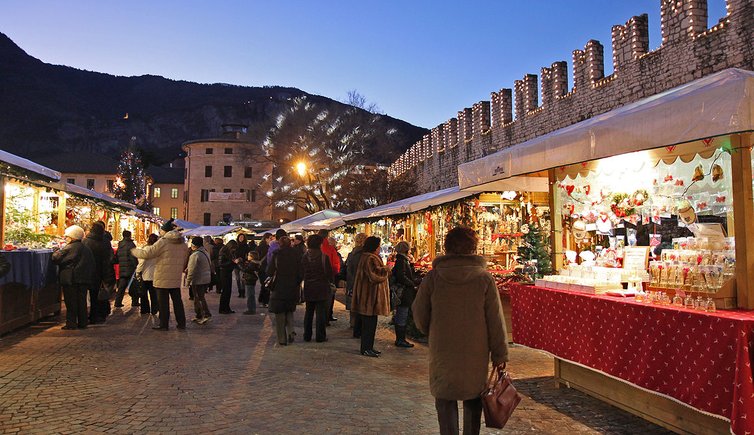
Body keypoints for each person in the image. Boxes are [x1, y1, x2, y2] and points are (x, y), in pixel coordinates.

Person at [412, 227, 509, 435]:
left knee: (445, 399)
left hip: (443, 348)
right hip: (476, 350)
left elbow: (419, 314)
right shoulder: (484, 279)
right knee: (473, 400)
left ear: (447, 248)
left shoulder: (434, 278)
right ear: (473, 248)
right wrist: (500, 354)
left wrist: (432, 330)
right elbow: (495, 321)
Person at [131, 218, 189, 330]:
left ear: (165, 232)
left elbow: (148, 253)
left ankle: (164, 324)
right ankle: (181, 323)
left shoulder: (163, 241)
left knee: (163, 303)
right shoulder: (183, 243)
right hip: (175, 277)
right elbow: (184, 259)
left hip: (162, 277)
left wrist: (134, 251)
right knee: (177, 301)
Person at [351, 236, 391, 357]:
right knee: (368, 325)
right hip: (369, 297)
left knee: (371, 324)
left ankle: (369, 347)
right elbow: (374, 276)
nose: (379, 248)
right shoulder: (369, 258)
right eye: (378, 246)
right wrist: (387, 270)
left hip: (369, 296)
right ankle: (366, 348)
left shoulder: (367, 257)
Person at [51, 225, 95, 330]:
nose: (66, 238)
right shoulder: (86, 248)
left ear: (72, 237)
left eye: (67, 236)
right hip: (83, 279)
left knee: (71, 302)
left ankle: (71, 323)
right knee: (81, 301)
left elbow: (55, 258)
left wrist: (56, 250)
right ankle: (83, 322)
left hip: (71, 278)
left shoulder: (69, 247)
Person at [267, 236, 302, 346]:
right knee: (290, 310)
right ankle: (291, 331)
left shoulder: (277, 254)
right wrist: (297, 282)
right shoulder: (296, 254)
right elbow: (301, 272)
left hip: (279, 287)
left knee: (280, 313)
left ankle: (282, 339)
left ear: (280, 244)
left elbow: (270, 271)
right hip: (292, 287)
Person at [301, 234, 333, 343]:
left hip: (309, 287)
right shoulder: (324, 257)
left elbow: (301, 272)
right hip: (321, 288)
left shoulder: (305, 257)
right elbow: (329, 274)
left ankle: (307, 335)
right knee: (321, 313)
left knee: (308, 312)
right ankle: (320, 336)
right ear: (320, 244)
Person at [82, 222, 115, 324]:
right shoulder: (105, 242)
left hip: (87, 271)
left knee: (84, 295)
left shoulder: (86, 241)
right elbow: (109, 258)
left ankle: (85, 316)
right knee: (96, 294)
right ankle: (96, 315)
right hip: (100, 272)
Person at [392, 241, 420, 348]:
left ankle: (400, 339)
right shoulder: (401, 261)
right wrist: (412, 284)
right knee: (402, 314)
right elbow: (401, 276)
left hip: (404, 292)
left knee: (402, 314)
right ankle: (400, 340)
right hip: (404, 292)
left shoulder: (402, 260)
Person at [186, 236, 212, 324]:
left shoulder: (195, 254)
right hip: (206, 278)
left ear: (194, 245)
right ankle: (199, 315)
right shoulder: (205, 252)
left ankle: (205, 315)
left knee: (199, 298)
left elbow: (191, 270)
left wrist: (187, 281)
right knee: (199, 297)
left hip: (198, 279)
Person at [345, 233, 367, 336]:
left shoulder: (351, 254)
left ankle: (353, 322)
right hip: (360, 282)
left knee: (353, 302)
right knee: (361, 304)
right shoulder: (364, 255)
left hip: (351, 282)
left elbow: (348, 269)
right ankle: (359, 326)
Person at [136, 233, 159, 315]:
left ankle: (145, 309)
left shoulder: (146, 249)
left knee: (144, 294)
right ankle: (154, 309)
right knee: (154, 294)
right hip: (155, 274)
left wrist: (138, 272)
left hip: (146, 274)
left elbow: (142, 262)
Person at [114, 230, 138, 308]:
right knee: (133, 286)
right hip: (130, 268)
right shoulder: (131, 244)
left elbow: (117, 257)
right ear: (129, 235)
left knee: (121, 287)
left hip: (122, 268)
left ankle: (117, 302)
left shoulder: (120, 244)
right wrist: (136, 266)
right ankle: (135, 301)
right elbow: (133, 257)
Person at [217, 239, 238, 314]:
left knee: (228, 291)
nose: (234, 249)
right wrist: (232, 262)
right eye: (233, 248)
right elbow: (221, 264)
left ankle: (227, 308)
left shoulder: (230, 252)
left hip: (228, 272)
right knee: (225, 291)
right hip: (224, 273)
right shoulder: (223, 251)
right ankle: (222, 308)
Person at [256, 233, 272, 306]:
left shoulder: (259, 247)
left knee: (264, 284)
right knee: (266, 284)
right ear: (266, 239)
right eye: (270, 238)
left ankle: (261, 299)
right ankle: (265, 301)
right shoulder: (268, 248)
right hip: (265, 268)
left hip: (260, 268)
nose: (271, 240)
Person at [234, 233, 250, 297]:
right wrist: (235, 260)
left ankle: (243, 292)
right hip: (236, 264)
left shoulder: (246, 246)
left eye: (242, 237)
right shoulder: (235, 246)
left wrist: (243, 260)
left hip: (243, 264)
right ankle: (239, 292)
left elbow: (248, 255)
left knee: (242, 279)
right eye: (240, 237)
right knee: (237, 279)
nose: (241, 238)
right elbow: (232, 254)